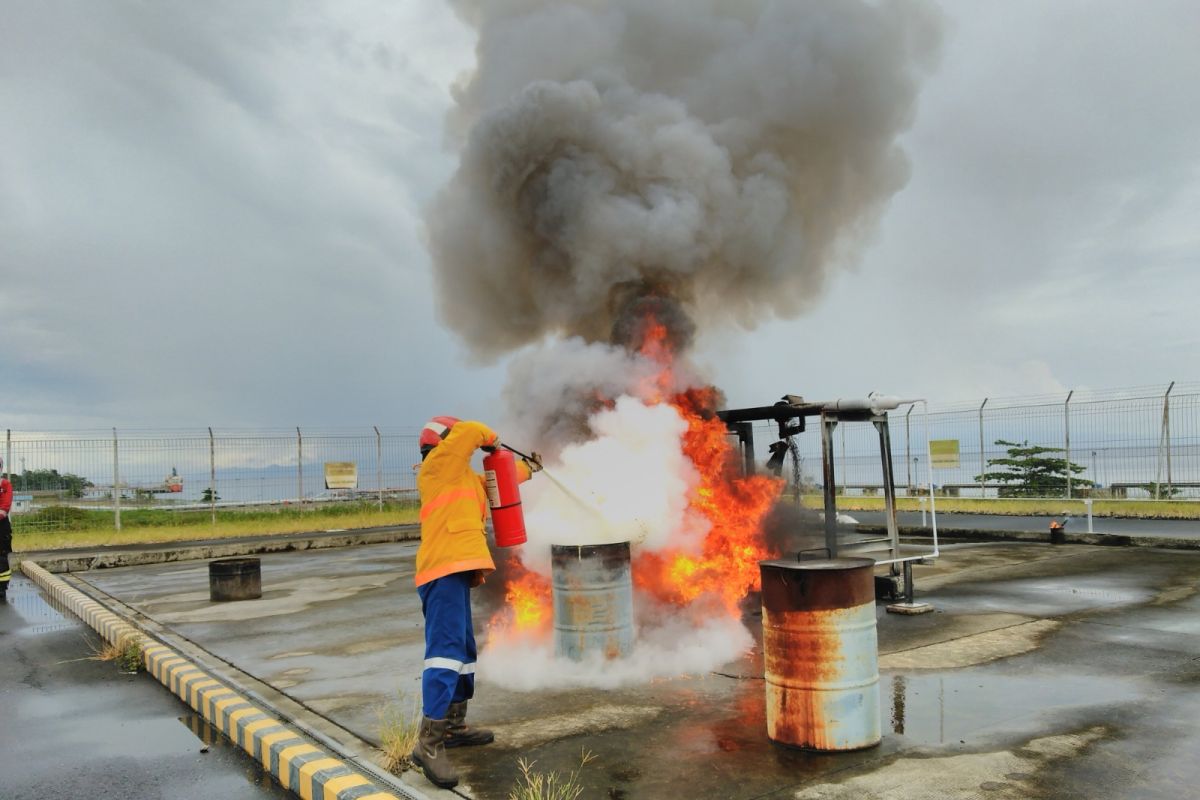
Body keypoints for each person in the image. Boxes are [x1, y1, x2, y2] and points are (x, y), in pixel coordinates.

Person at [409, 416, 540, 789]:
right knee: (445, 653)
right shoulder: (437, 467)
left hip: (458, 572)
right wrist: (493, 440)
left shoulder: (460, 478)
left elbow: (493, 483)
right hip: (442, 571)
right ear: (442, 443)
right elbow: (468, 433)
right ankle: (428, 743)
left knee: (464, 652)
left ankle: (452, 727)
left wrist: (526, 469)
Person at [1, 458, 12, 601]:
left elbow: (4, 507)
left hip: (1, 525)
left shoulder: (5, 484)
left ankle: (1, 587)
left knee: (1, 557)